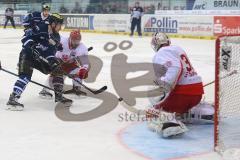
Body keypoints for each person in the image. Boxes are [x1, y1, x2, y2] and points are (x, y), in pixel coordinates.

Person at [147, 32, 214, 138]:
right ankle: (205, 112)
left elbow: (175, 69)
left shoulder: (162, 52)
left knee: (152, 94)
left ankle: (169, 122)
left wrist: (164, 87)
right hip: (196, 94)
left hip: (182, 95)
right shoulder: (177, 49)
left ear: (155, 44)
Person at [6, 13, 67, 111]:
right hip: (28, 55)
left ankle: (59, 97)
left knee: (58, 68)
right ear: (53, 23)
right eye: (59, 24)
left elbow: (50, 52)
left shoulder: (56, 37)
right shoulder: (40, 27)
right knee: (25, 77)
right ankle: (13, 99)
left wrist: (52, 61)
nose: (60, 27)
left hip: (41, 58)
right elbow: (25, 38)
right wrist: (31, 46)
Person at [39, 29, 90, 98]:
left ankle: (76, 88)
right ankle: (45, 90)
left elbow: (85, 63)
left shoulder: (82, 48)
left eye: (78, 41)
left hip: (70, 63)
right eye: (74, 40)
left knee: (79, 71)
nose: (76, 43)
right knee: (55, 74)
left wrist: (84, 69)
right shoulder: (62, 41)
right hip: (58, 61)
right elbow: (50, 39)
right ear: (70, 38)